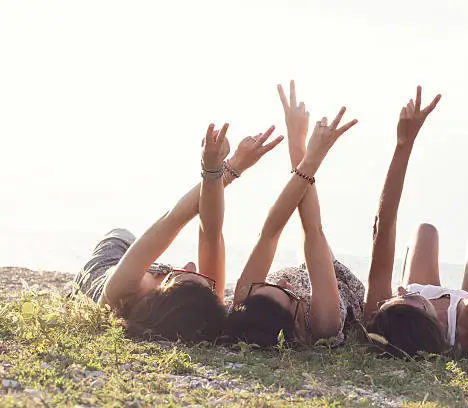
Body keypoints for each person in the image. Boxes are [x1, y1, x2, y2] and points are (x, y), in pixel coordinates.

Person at [72, 124, 283, 343]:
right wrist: (226, 168)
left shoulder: (120, 293)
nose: (192, 265)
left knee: (121, 233)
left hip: (106, 260)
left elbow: (173, 220)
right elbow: (210, 233)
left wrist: (219, 168)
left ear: (160, 299)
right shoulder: (204, 307)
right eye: (203, 280)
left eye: (181, 276)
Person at [364, 83, 468, 358]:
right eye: (407, 296)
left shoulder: (384, 316)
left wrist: (403, 144)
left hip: (422, 311)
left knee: (425, 232)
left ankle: (426, 291)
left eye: (394, 297)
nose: (399, 288)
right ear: (428, 319)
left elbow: (382, 227)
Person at [227, 81, 364, 347]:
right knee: (313, 234)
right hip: (336, 281)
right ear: (296, 328)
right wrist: (306, 151)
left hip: (309, 267)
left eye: (269, 285)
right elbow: (312, 231)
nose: (283, 282)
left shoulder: (245, 302)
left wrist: (299, 142)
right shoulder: (323, 324)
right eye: (287, 294)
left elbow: (270, 232)